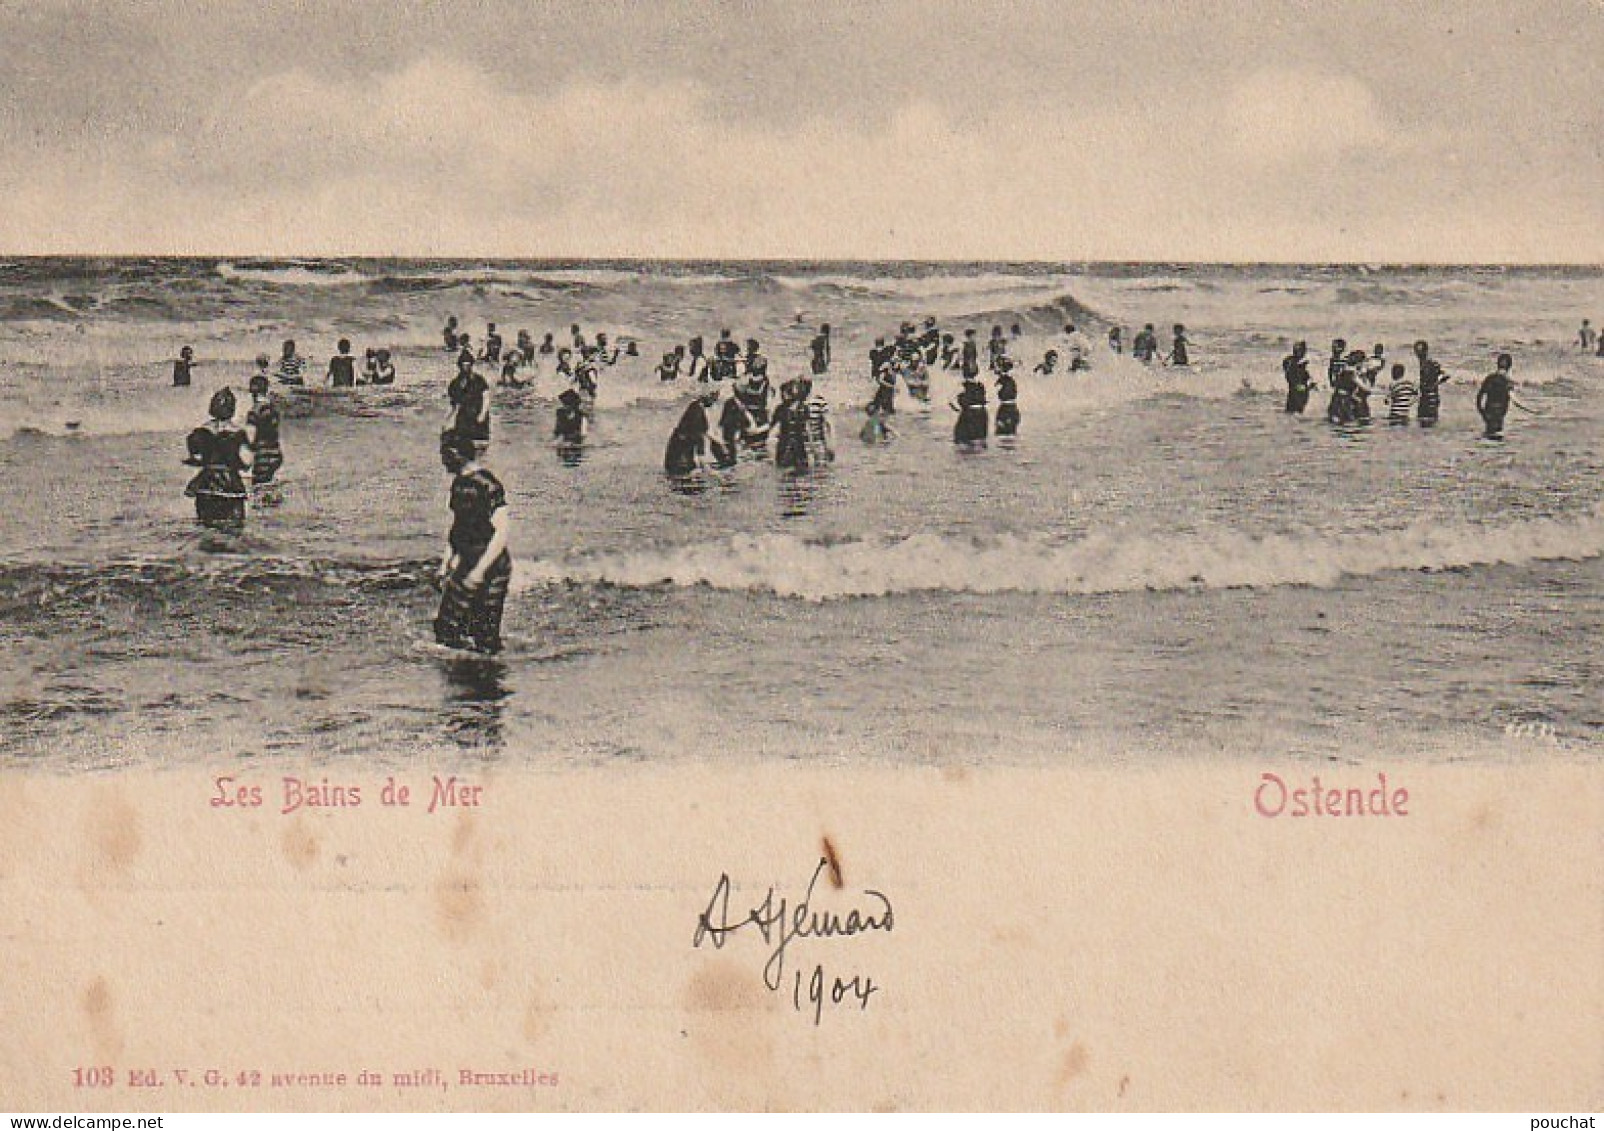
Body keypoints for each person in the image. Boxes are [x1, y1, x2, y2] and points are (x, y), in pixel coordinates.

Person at [433, 430, 512, 655]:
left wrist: (479, 571)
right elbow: (458, 527)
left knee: (484, 637)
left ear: (455, 454)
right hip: (467, 559)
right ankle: (460, 675)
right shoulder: (459, 485)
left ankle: (486, 679)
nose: (442, 460)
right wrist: (446, 562)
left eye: (444, 454)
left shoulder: (488, 485)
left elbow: (502, 532)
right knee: (447, 630)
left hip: (492, 566)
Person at [183, 388, 252, 527]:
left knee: (206, 526)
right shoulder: (238, 432)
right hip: (230, 483)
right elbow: (243, 461)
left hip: (206, 481)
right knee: (235, 528)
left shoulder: (200, 431)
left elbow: (194, 457)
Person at [664, 387, 724, 475]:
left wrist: (718, 442)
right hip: (680, 453)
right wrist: (704, 464)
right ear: (707, 396)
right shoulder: (697, 410)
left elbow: (704, 431)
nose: (713, 403)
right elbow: (699, 435)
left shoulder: (696, 406)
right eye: (713, 398)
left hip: (680, 449)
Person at [446, 354, 491, 453]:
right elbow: (453, 404)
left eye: (468, 365)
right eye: (463, 365)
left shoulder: (479, 380)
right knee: (462, 446)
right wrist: (447, 420)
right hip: (463, 417)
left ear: (472, 365)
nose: (466, 368)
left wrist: (482, 414)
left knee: (480, 445)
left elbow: (486, 397)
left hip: (478, 415)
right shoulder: (455, 383)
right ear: (459, 366)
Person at [244, 371, 283, 485]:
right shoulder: (272, 408)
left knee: (259, 490)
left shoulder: (254, 411)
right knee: (270, 488)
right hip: (275, 453)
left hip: (262, 456)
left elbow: (250, 438)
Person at [771, 379, 811, 471]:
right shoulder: (781, 409)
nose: (782, 396)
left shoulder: (803, 408)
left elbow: (807, 430)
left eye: (784, 393)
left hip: (798, 447)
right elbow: (774, 429)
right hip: (786, 446)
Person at [1476, 353, 1514, 439]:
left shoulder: (1491, 378)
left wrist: (1482, 411)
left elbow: (1480, 396)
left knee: (1491, 433)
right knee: (1495, 434)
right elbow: (1509, 399)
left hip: (1491, 411)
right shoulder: (1507, 381)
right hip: (1496, 411)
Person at [1414, 340, 1447, 427]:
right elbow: (1444, 375)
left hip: (1430, 397)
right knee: (1427, 421)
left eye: (1419, 352)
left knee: (1426, 421)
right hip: (1428, 396)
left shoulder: (1429, 363)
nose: (1418, 354)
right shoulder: (1426, 363)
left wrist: (1433, 385)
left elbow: (1445, 375)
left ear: (1425, 351)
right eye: (1417, 351)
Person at [952, 373, 989, 446]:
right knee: (979, 442)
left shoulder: (962, 385)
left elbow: (950, 401)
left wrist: (958, 409)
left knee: (962, 442)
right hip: (982, 413)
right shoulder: (981, 385)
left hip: (968, 414)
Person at [1281, 341, 1312, 414]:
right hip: (1297, 391)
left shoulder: (1290, 360)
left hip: (1297, 391)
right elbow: (1290, 377)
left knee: (1292, 413)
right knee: (1295, 412)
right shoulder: (1293, 362)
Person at [994, 357, 1020, 437]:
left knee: (1001, 433)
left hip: (1004, 408)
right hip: (1013, 407)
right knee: (1011, 432)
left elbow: (996, 391)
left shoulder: (1002, 379)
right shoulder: (1012, 380)